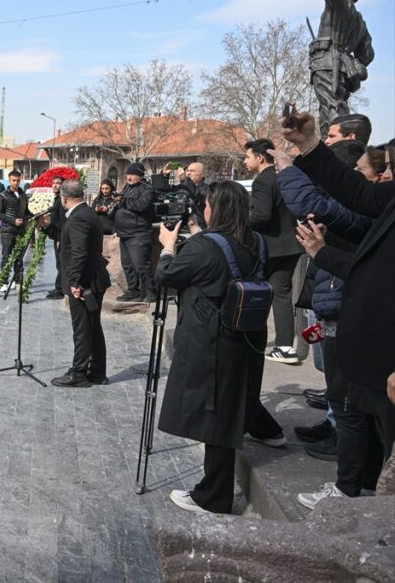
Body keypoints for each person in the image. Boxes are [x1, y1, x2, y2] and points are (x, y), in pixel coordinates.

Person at [275, 111, 395, 478]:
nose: (386, 176)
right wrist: (307, 143)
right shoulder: (386, 198)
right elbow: (356, 193)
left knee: (357, 420)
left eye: (390, 168)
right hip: (373, 354)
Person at [156, 180, 286, 515]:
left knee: (215, 413)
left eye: (208, 204)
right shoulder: (258, 241)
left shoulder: (204, 245)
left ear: (217, 208)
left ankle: (212, 497)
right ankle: (270, 432)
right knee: (238, 396)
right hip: (248, 334)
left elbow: (167, 275)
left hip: (213, 339)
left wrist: (169, 246)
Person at [293, 0, 374, 130]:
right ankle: (334, 147)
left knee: (331, 110)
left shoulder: (341, 4)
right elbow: (368, 55)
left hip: (328, 63)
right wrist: (354, 62)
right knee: (335, 107)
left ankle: (336, 151)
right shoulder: (360, 23)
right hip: (343, 68)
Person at [46, 179, 111, 387]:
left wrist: (74, 282)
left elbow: (79, 252)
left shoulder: (79, 218)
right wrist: (47, 227)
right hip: (92, 279)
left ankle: (79, 373)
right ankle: (97, 372)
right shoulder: (85, 213)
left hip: (85, 283)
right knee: (92, 326)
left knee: (83, 328)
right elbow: (69, 240)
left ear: (64, 198)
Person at [244, 138, 301, 365]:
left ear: (260, 157)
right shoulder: (283, 177)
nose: (245, 161)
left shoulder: (262, 181)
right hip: (290, 245)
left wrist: (239, 219)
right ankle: (285, 347)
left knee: (253, 292)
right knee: (282, 296)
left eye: (247, 157)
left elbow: (261, 216)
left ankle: (248, 338)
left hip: (269, 247)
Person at [112, 162, 156, 302]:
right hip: (124, 233)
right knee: (127, 265)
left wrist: (123, 200)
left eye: (133, 174)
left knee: (141, 265)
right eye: (128, 174)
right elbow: (123, 204)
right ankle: (133, 291)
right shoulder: (126, 188)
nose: (129, 177)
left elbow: (141, 205)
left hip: (138, 233)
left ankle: (150, 293)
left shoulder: (147, 189)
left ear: (140, 176)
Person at [0, 170, 30, 284]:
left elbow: (26, 211)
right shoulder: (3, 195)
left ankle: (17, 280)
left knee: (19, 257)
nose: (16, 183)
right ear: (9, 181)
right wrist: (13, 221)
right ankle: (4, 282)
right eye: (13, 180)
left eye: (18, 180)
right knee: (6, 257)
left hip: (21, 231)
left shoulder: (23, 195)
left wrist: (35, 216)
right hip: (7, 231)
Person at [44, 176, 67, 300]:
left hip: (61, 236)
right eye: (53, 183)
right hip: (58, 235)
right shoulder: (57, 199)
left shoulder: (62, 200)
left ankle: (61, 289)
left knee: (61, 264)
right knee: (59, 264)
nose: (54, 185)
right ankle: (59, 287)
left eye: (58, 183)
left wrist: (59, 238)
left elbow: (63, 221)